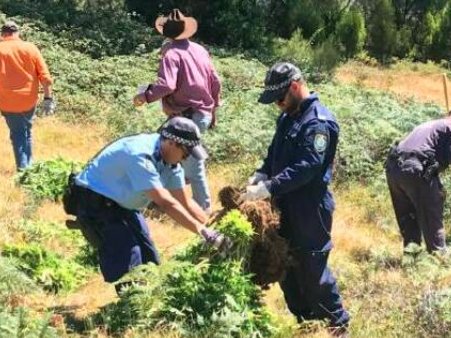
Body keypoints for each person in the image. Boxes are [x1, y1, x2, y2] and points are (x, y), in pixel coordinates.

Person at [241, 62, 350, 334]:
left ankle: (337, 326)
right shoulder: (288, 117)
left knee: (312, 271)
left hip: (309, 209)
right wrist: (261, 173)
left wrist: (270, 187)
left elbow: (308, 167)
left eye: (280, 97)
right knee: (285, 267)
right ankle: (307, 324)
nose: (278, 104)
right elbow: (273, 153)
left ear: (294, 86)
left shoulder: (318, 123)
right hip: (284, 207)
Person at [71, 117, 230, 292]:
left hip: (122, 205)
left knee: (150, 259)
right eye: (185, 153)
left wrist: (213, 228)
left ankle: (145, 301)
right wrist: (202, 232)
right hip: (94, 202)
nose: (186, 159)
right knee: (129, 257)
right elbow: (166, 203)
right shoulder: (140, 155)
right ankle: (131, 309)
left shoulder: (171, 163)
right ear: (171, 143)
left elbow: (184, 201)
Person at [133, 9, 222, 214]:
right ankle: (160, 202)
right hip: (200, 114)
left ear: (166, 32)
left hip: (187, 116)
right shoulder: (200, 50)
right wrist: (213, 111)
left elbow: (167, 86)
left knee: (191, 164)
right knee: (167, 155)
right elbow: (215, 82)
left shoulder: (171, 54)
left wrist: (144, 97)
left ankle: (203, 210)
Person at [386, 108, 451, 252]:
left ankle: (412, 256)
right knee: (431, 216)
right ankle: (439, 259)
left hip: (394, 169)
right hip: (417, 171)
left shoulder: (426, 125)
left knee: (408, 215)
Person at [0, 20, 55, 171]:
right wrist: (48, 99)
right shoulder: (30, 48)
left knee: (18, 133)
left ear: (3, 34)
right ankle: (29, 167)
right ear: (17, 33)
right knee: (27, 131)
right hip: (29, 100)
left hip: (7, 102)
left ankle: (23, 170)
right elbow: (45, 76)